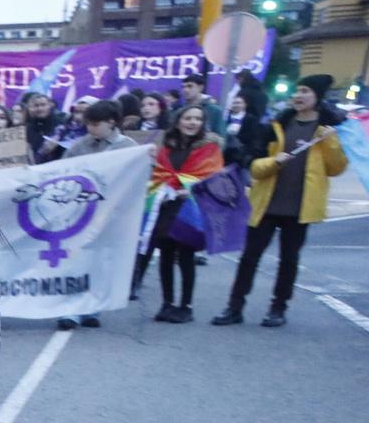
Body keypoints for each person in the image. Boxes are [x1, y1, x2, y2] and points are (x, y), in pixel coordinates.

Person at [214, 74, 347, 327]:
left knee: (289, 260)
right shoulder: (276, 125)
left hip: (300, 208)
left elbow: (336, 168)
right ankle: (234, 307)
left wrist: (329, 142)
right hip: (266, 204)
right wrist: (272, 162)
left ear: (317, 97)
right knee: (249, 257)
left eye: (305, 91)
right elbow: (252, 165)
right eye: (297, 91)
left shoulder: (327, 130)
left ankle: (278, 308)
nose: (298, 96)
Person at [54, 99, 142, 329]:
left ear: (111, 122)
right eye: (88, 124)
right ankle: (71, 309)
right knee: (76, 260)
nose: (90, 128)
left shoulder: (128, 147)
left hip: (112, 216)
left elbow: (136, 179)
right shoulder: (80, 146)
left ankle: (92, 307)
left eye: (95, 124)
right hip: (82, 214)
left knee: (101, 262)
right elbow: (62, 172)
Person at [136, 104, 224, 324]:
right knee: (165, 255)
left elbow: (212, 178)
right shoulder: (167, 145)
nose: (192, 122)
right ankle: (167, 303)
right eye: (188, 118)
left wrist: (190, 188)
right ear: (178, 121)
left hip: (190, 208)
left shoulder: (210, 148)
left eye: (197, 119)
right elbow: (160, 172)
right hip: (166, 206)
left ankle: (186, 305)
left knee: (185, 257)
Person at [178, 72, 227, 137]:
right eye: (183, 87)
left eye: (190, 86)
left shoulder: (215, 111)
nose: (185, 90)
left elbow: (221, 137)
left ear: (200, 88)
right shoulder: (180, 110)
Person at [20, 91, 62, 163]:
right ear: (31, 108)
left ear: (50, 105)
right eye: (36, 105)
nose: (40, 108)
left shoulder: (61, 124)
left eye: (43, 105)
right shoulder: (25, 129)